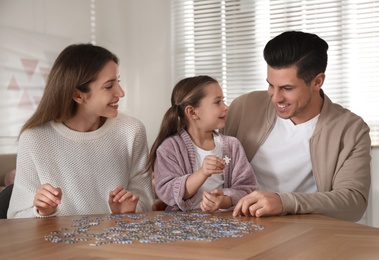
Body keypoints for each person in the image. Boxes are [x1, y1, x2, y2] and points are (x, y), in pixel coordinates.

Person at [222, 31, 371, 222]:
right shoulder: (243, 107)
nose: (276, 97)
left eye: (287, 88)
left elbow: (353, 203)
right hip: (240, 229)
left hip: (308, 237)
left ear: (317, 81)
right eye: (270, 85)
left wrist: (284, 202)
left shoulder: (350, 130)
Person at [8, 43, 155, 218]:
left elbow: (146, 202)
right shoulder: (34, 139)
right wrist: (42, 211)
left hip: (117, 242)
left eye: (118, 82)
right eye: (109, 86)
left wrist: (127, 212)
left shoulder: (131, 130)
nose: (121, 93)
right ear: (78, 95)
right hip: (58, 244)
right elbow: (15, 216)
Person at [146, 75, 257, 212]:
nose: (226, 107)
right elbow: (167, 191)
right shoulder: (169, 148)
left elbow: (246, 188)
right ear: (192, 112)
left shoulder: (232, 146)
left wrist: (223, 201)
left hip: (226, 222)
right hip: (182, 226)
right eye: (217, 102)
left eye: (223, 101)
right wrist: (202, 173)